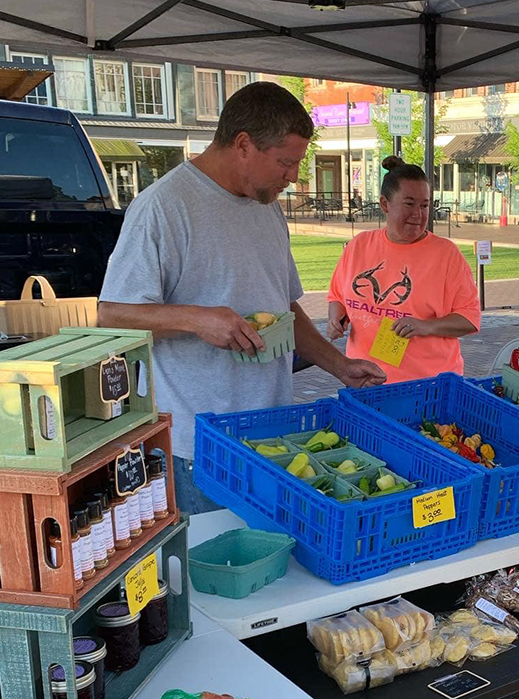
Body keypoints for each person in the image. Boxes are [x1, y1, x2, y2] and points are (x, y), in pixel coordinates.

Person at [98, 82, 386, 515]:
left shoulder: (265, 205)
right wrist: (199, 320)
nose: (292, 177)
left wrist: (339, 365)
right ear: (244, 145)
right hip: (198, 448)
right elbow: (112, 315)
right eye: (286, 162)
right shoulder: (163, 207)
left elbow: (284, 308)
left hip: (272, 435)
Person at [326, 156, 480, 383]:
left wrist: (425, 326)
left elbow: (469, 319)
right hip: (364, 380)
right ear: (385, 204)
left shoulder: (446, 254)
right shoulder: (358, 245)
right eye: (409, 204)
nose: (418, 215)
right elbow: (337, 295)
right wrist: (336, 318)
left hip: (427, 386)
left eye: (425, 205)